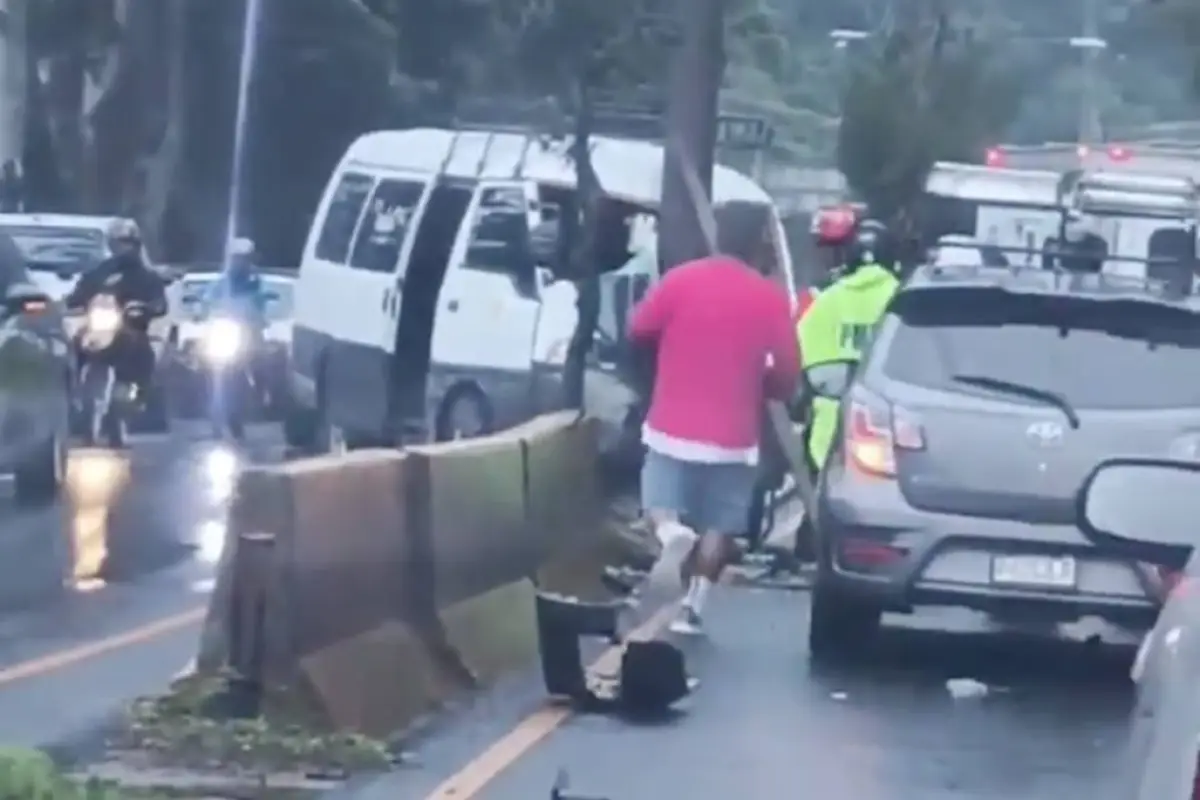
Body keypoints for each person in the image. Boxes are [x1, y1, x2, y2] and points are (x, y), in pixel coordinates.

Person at [628, 201, 800, 635]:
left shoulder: (680, 280)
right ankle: (693, 609)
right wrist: (766, 388)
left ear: (717, 236)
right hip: (734, 437)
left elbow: (638, 329)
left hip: (671, 425)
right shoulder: (771, 299)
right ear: (759, 244)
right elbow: (786, 375)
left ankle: (669, 535)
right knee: (719, 527)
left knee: (660, 503)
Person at [796, 217, 900, 478]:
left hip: (825, 434)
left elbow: (796, 350)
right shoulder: (904, 298)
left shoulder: (825, 300)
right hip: (887, 435)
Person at [65, 218, 167, 400]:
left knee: (144, 350)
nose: (123, 248)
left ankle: (143, 393)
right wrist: (74, 303)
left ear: (137, 245)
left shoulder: (147, 276)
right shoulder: (99, 272)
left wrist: (148, 307)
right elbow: (79, 293)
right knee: (74, 344)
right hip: (98, 329)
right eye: (119, 243)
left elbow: (159, 302)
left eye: (128, 243)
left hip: (131, 328)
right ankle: (72, 393)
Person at [207, 237, 269, 329]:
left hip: (252, 329)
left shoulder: (259, 283)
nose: (240, 262)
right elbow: (209, 302)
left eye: (244, 258)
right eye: (236, 258)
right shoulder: (220, 284)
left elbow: (266, 307)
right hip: (225, 329)